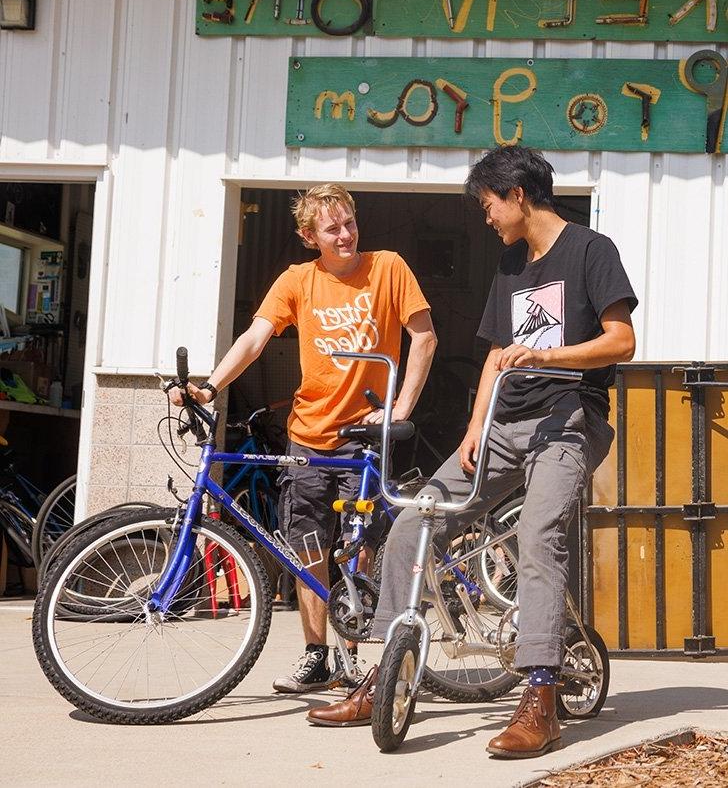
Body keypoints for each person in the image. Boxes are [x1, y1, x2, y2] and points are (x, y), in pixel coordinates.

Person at [307, 146, 637, 759]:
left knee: (539, 536)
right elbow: (492, 357)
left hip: (569, 420)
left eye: (486, 203)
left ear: (517, 194)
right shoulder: (511, 264)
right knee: (412, 521)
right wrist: (472, 431)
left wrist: (546, 357)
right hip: (502, 426)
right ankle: (387, 675)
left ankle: (541, 696)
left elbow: (622, 340)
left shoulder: (592, 251)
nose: (484, 216)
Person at [172, 184, 436, 694]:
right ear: (308, 235)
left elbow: (423, 336)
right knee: (308, 544)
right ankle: (316, 655)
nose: (345, 234)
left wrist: (401, 408)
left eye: (350, 223)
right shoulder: (298, 280)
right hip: (307, 436)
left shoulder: (388, 267)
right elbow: (255, 338)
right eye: (332, 228)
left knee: (356, 547)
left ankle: (352, 657)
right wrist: (210, 386)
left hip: (363, 434)